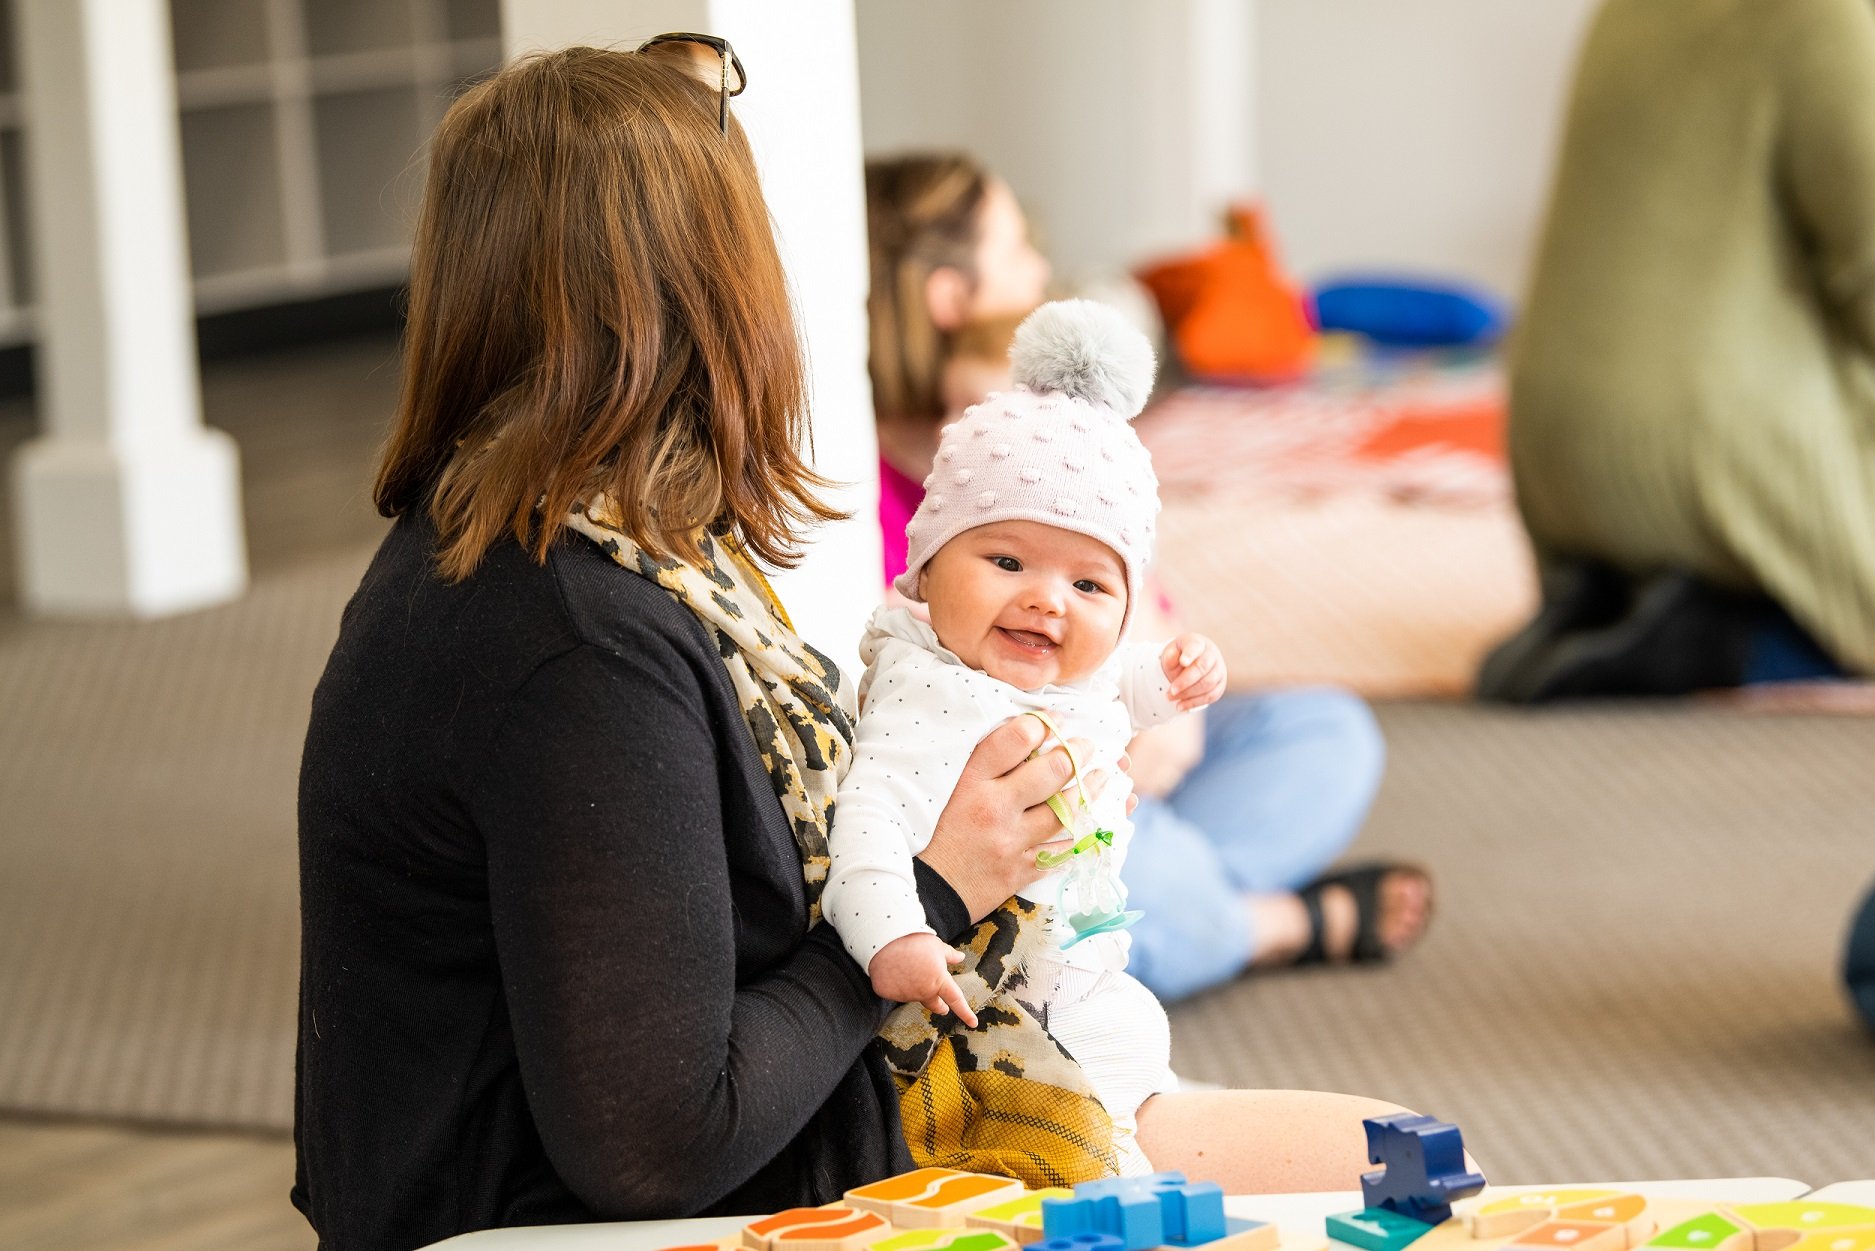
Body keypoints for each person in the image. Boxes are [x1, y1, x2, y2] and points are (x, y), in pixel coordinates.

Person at [294, 43, 1432, 1250]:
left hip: (827, 1107)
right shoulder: (579, 644)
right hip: (734, 1186)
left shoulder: (518, 548)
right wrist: (935, 892)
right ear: (713, 294)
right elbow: (654, 1146)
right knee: (1405, 1179)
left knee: (1406, 1160)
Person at [864, 154, 1432, 1001]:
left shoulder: (1066, 435)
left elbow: (1133, 594)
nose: (1038, 272)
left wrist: (1167, 691)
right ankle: (1278, 924)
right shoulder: (868, 500)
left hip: (1123, 746)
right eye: (1018, 249)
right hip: (1021, 795)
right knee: (1109, 865)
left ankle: (1174, 907)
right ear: (950, 295)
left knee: (1326, 732)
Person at [826, 300, 1225, 1177]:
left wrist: (1172, 678)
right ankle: (1110, 1171)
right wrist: (894, 936)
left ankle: (1127, 1136)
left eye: (1089, 583)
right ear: (925, 568)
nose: (1048, 599)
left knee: (1134, 1041)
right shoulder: (927, 692)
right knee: (1092, 1099)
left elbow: (1109, 684)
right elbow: (865, 824)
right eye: (1007, 563)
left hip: (1082, 954)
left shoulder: (1060, 668)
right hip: (982, 988)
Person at [1479, 0, 1875, 700]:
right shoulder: (1825, 17)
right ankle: (1732, 637)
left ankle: (1609, 600)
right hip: (1697, 458)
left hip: (1554, 460)